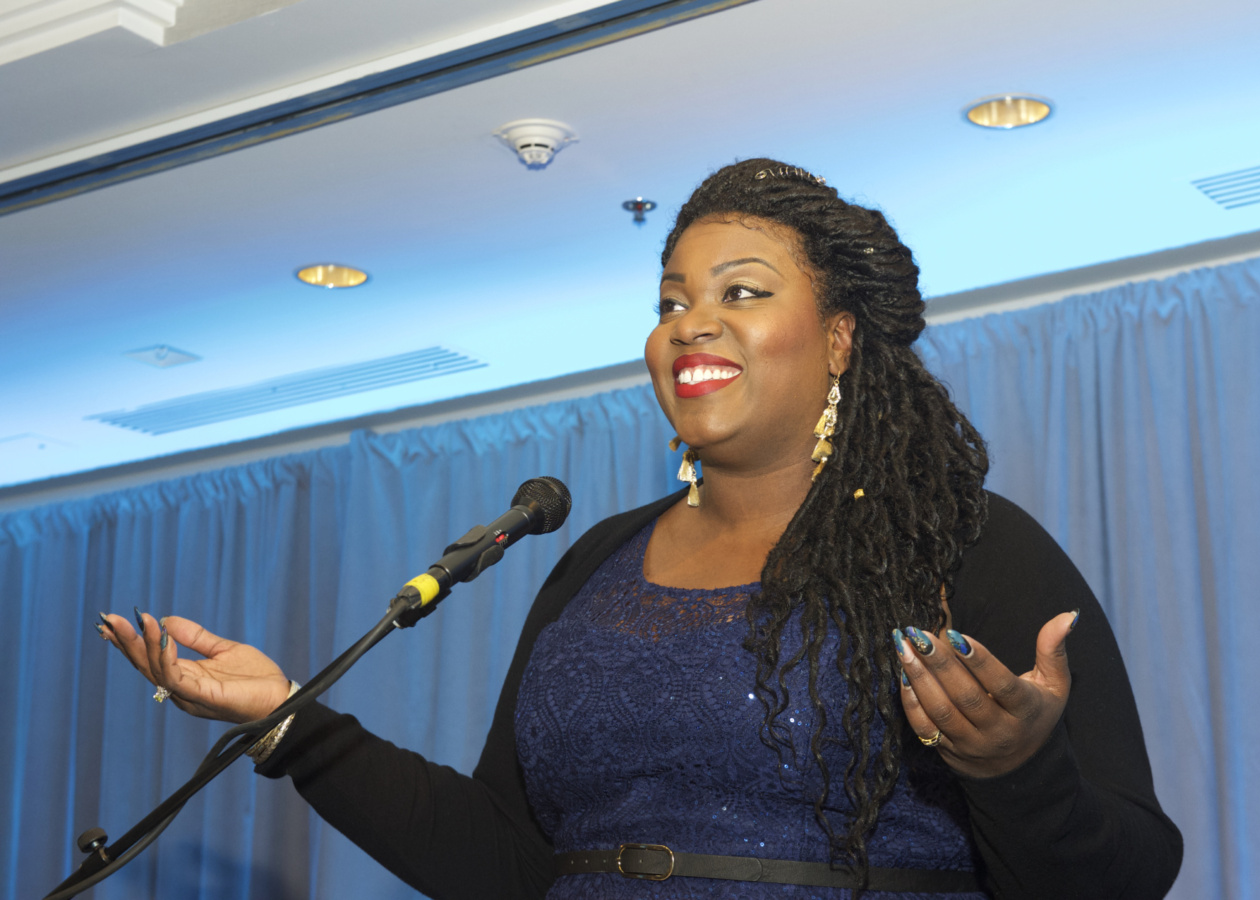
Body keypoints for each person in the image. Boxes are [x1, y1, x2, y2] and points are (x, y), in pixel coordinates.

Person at [98, 158, 1183, 899]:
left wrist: (1015, 767)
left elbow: (1128, 873)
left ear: (840, 339)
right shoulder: (597, 559)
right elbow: (509, 863)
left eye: (741, 292)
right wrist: (288, 723)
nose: (691, 324)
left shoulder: (959, 542)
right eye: (671, 302)